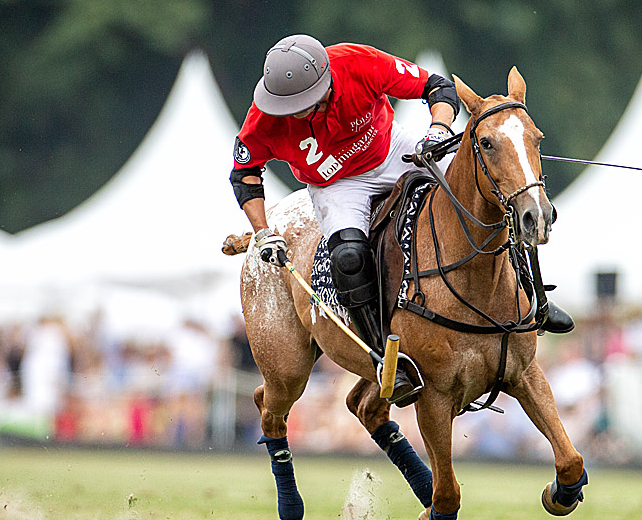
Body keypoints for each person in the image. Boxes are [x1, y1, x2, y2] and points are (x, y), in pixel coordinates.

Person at [229, 34, 574, 405]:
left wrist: (438, 130)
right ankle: (385, 359)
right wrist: (262, 232)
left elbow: (437, 87)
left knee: (490, 190)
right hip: (336, 184)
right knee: (348, 256)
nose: (299, 113)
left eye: (307, 102)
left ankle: (533, 297)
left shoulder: (358, 63)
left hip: (392, 149)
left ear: (327, 78)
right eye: (291, 106)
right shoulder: (264, 116)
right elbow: (245, 175)